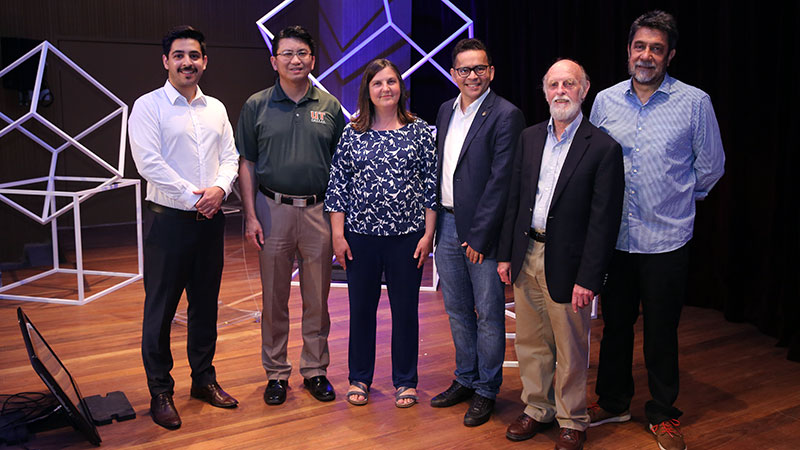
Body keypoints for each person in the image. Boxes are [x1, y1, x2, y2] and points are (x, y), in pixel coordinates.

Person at [587, 11, 725, 450]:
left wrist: (678, 199)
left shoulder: (694, 102)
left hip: (667, 240)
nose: (646, 55)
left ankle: (664, 414)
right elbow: (591, 165)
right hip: (617, 239)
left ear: (670, 55)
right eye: (640, 46)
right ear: (629, 51)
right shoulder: (605, 101)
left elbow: (711, 168)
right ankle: (613, 401)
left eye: (656, 48)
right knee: (616, 325)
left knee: (663, 329)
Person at [497, 59, 624, 450]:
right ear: (545, 90)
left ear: (584, 90)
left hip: (569, 265)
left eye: (569, 83)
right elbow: (516, 201)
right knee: (531, 343)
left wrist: (590, 277)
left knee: (571, 346)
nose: (561, 91)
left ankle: (572, 419)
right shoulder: (530, 138)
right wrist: (506, 255)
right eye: (553, 84)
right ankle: (537, 409)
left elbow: (604, 222)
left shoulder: (603, 147)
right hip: (527, 254)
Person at [129, 25, 240, 430]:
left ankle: (203, 381)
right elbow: (149, 164)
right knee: (160, 311)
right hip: (169, 222)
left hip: (209, 225)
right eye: (179, 55)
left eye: (194, 55)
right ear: (166, 61)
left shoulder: (217, 109)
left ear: (204, 61)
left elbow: (230, 156)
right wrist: (197, 195)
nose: (187, 62)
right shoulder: (147, 106)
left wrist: (220, 188)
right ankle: (160, 391)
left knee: (205, 307)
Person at [236, 25, 346, 406]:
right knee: (274, 299)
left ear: (312, 60)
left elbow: (341, 168)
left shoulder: (330, 107)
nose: (295, 60)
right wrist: (251, 216)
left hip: (318, 211)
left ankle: (315, 370)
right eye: (287, 54)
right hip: (272, 210)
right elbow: (246, 163)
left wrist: (338, 222)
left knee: (318, 298)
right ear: (274, 61)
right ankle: (276, 373)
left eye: (302, 53)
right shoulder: (256, 105)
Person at [325, 58, 436, 409]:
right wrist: (338, 236)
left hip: (408, 238)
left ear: (400, 87)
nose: (385, 88)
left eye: (391, 81)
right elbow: (338, 186)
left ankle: (406, 380)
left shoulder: (419, 130)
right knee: (361, 310)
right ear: (367, 91)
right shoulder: (351, 132)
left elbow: (431, 186)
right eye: (378, 83)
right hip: (360, 238)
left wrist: (428, 234)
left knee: (405, 311)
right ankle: (359, 377)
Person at [432, 38, 525, 427]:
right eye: (465, 69)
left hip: (480, 233)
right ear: (454, 74)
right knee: (456, 310)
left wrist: (481, 235)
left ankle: (487, 390)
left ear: (491, 72)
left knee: (488, 314)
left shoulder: (506, 114)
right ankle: (465, 379)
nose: (473, 75)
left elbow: (501, 182)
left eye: (480, 68)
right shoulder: (443, 111)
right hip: (446, 224)